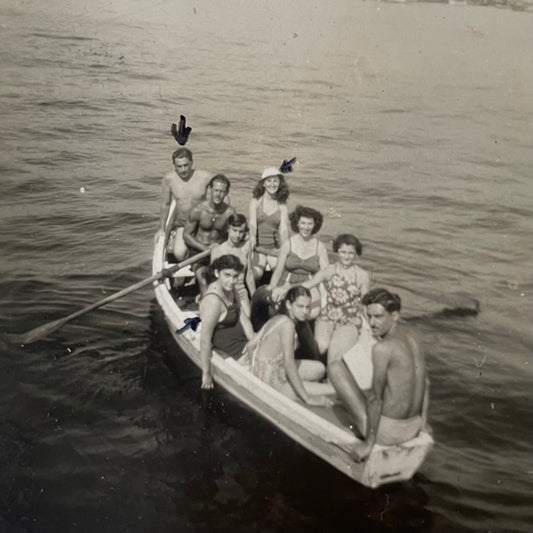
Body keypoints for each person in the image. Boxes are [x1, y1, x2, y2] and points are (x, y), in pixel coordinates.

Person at [328, 288, 429, 461]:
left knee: (335, 367)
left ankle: (365, 434)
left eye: (379, 316)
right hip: (413, 428)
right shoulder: (414, 339)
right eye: (369, 316)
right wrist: (423, 425)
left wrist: (369, 444)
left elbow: (375, 399)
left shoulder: (383, 348)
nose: (372, 323)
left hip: (388, 435)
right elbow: (425, 384)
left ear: (395, 316)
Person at [276, 233, 370, 363]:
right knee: (321, 348)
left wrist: (370, 325)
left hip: (349, 319)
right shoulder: (329, 271)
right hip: (328, 316)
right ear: (337, 251)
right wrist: (286, 288)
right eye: (343, 252)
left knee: (337, 350)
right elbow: (308, 284)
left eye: (350, 253)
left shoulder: (362, 275)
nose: (346, 257)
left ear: (356, 254)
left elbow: (366, 303)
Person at [246, 286, 336, 406]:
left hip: (270, 370)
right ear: (288, 304)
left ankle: (297, 384)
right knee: (332, 391)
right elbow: (289, 364)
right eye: (300, 306)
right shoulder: (288, 326)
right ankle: (296, 388)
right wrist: (307, 398)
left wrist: (255, 371)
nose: (305, 311)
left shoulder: (277, 318)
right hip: (273, 381)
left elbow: (250, 346)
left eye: (307, 307)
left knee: (319, 368)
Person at [199, 255, 255, 390]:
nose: (232, 281)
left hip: (245, 348)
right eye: (227, 275)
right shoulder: (213, 301)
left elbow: (243, 317)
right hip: (233, 355)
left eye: (235, 276)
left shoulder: (231, 289)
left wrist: (254, 342)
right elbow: (205, 340)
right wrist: (206, 373)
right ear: (217, 273)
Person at [269, 205, 329, 319]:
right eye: (303, 223)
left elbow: (324, 275)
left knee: (311, 312)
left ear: (315, 225)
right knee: (285, 310)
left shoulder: (320, 247)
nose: (306, 227)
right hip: (287, 281)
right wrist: (272, 289)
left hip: (310, 285)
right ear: (297, 223)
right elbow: (278, 271)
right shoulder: (288, 244)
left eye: (310, 224)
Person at [155, 147, 212, 261]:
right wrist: (161, 229)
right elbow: (165, 205)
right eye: (179, 167)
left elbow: (220, 196)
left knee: (210, 252)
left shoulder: (205, 177)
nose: (183, 170)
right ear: (174, 166)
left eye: (186, 165)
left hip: (202, 223)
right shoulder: (169, 179)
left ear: (192, 162)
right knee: (179, 253)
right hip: (183, 224)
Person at [183, 174, 236, 294]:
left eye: (222, 191)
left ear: (227, 192)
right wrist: (204, 248)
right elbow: (186, 235)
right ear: (210, 190)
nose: (218, 194)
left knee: (225, 277)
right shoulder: (198, 210)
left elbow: (233, 235)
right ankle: (207, 306)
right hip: (198, 252)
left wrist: (219, 244)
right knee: (203, 277)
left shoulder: (230, 213)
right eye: (216, 190)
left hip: (218, 251)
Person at [248, 167, 290, 281]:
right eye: (269, 181)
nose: (272, 184)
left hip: (274, 249)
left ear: (280, 183)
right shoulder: (255, 202)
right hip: (257, 247)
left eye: (275, 181)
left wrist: (285, 246)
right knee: (256, 274)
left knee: (281, 274)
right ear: (263, 184)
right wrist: (252, 237)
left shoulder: (282, 206)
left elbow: (284, 230)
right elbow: (252, 223)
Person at [211, 213, 255, 316]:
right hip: (224, 292)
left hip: (240, 292)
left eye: (241, 232)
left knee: (248, 318)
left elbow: (249, 275)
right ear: (228, 229)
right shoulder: (218, 250)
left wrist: (254, 296)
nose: (238, 235)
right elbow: (213, 279)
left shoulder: (246, 247)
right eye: (235, 230)